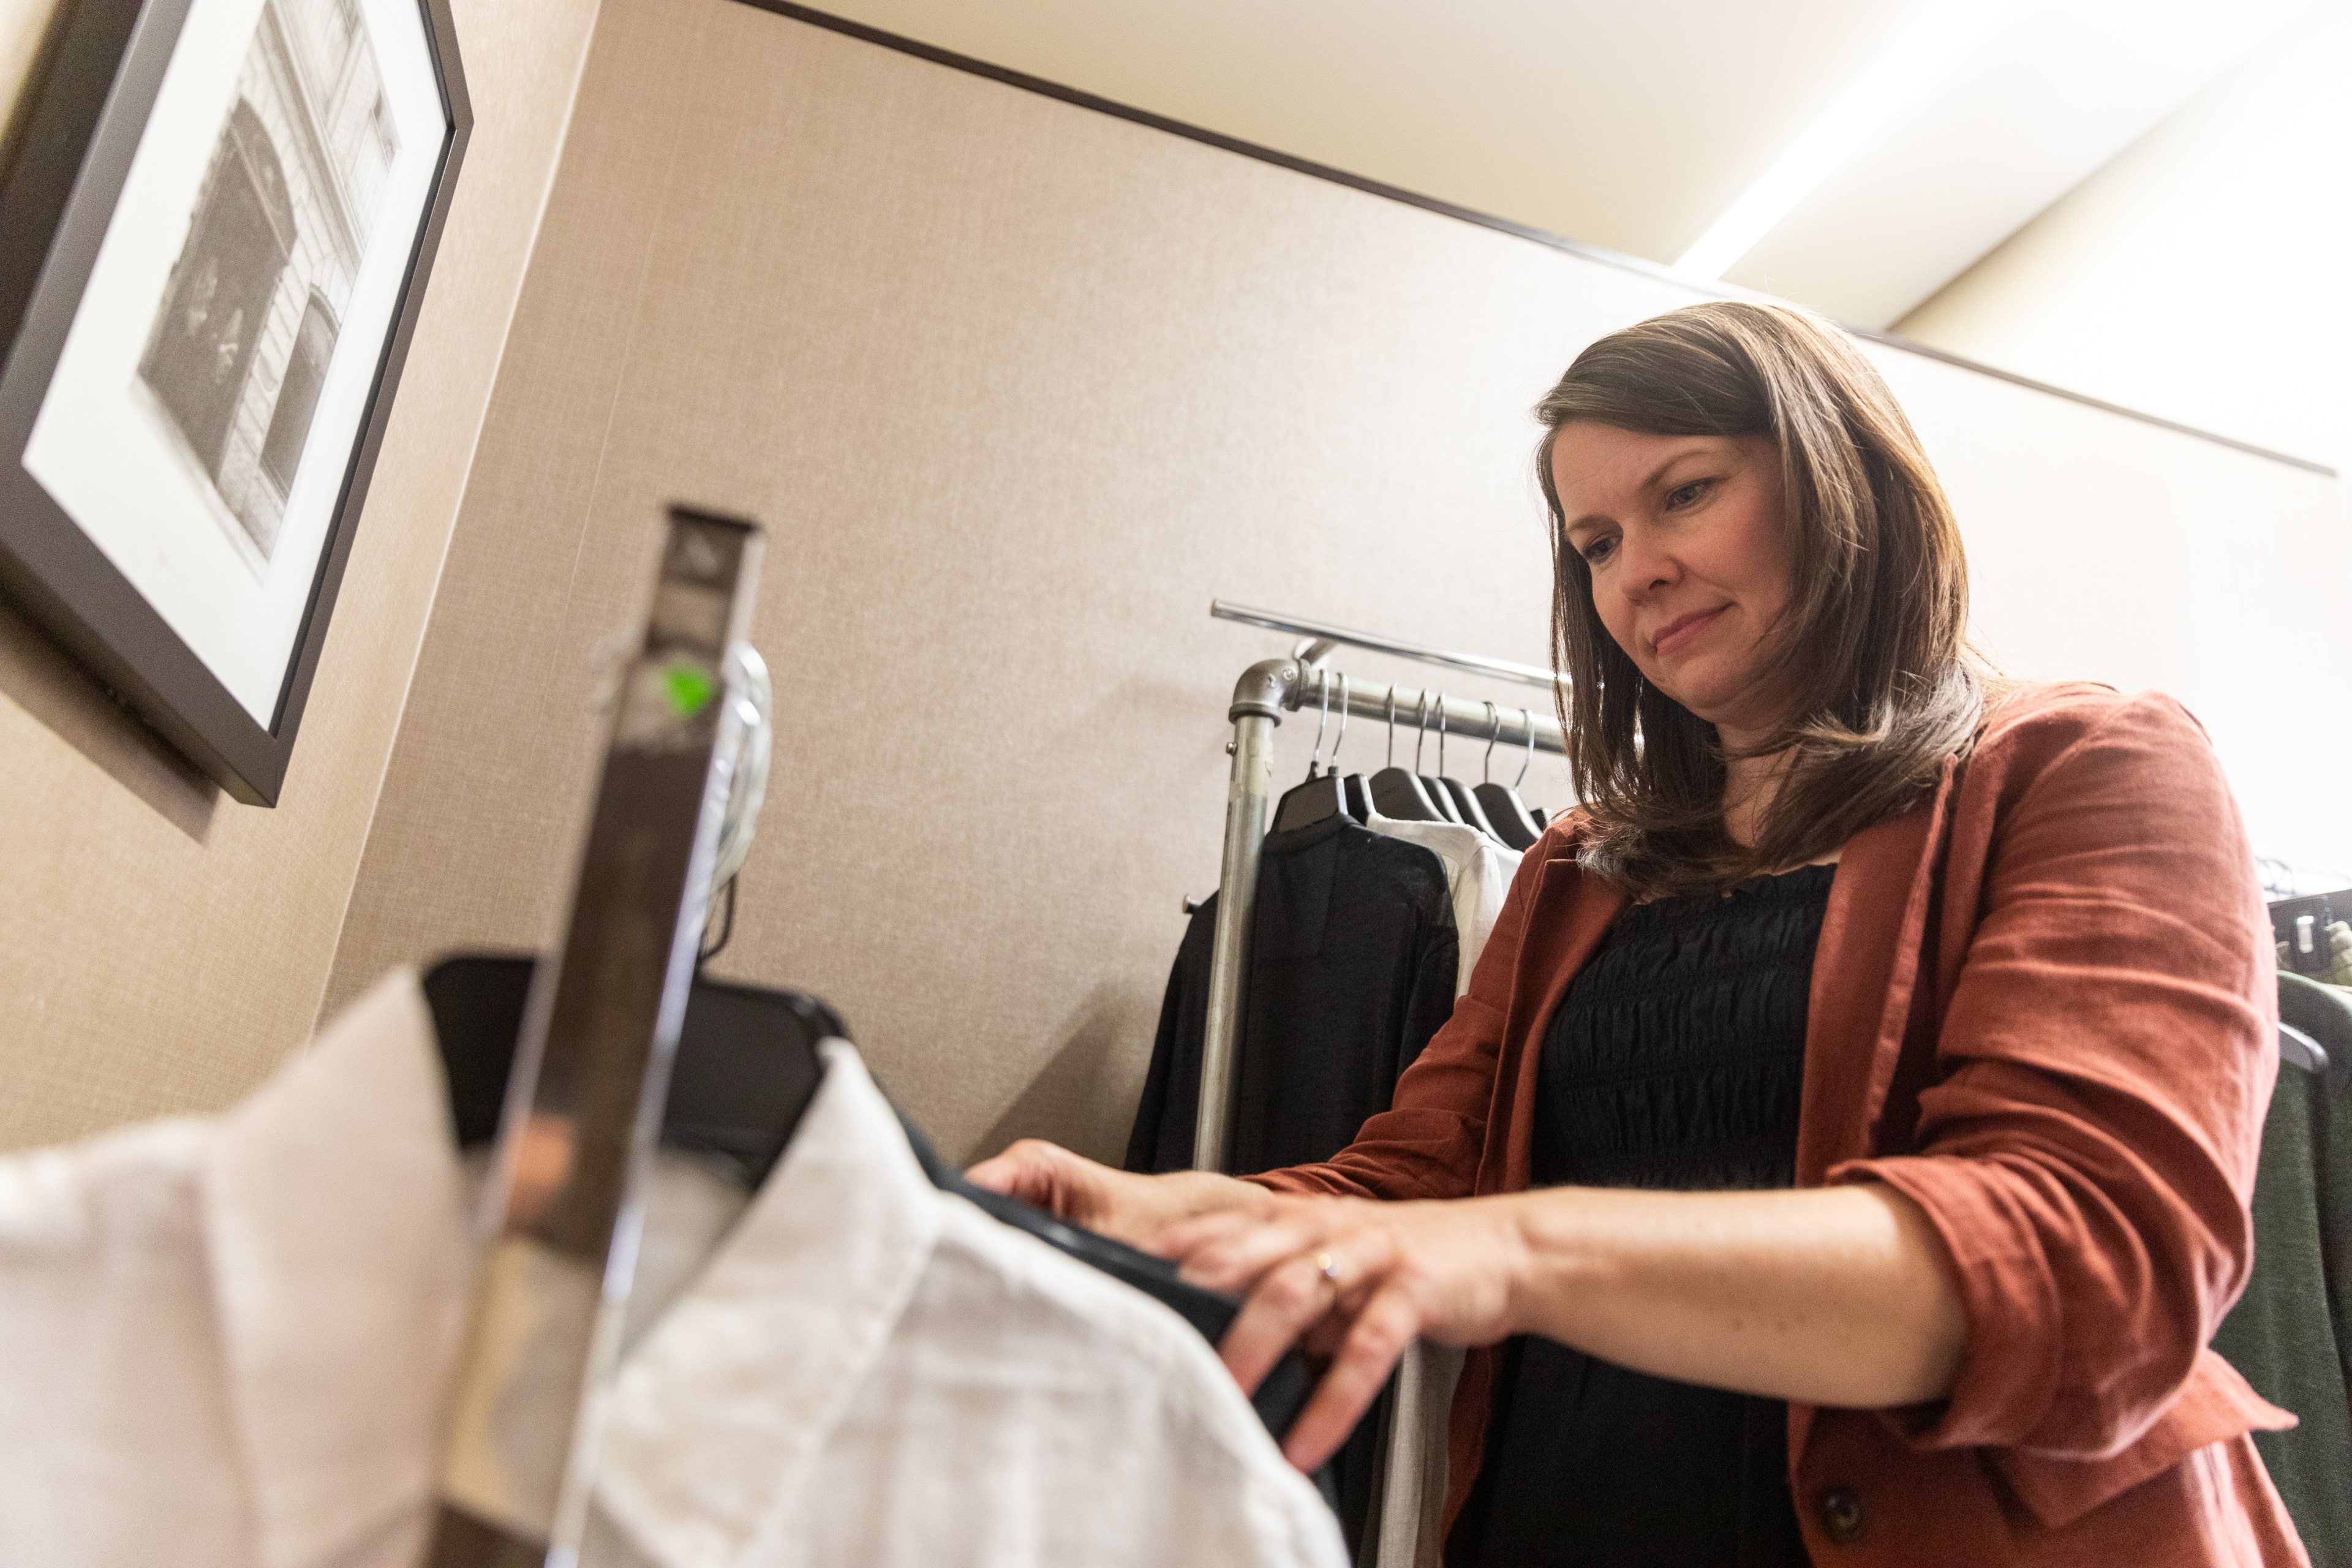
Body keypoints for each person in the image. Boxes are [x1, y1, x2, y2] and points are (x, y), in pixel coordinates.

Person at [971, 301, 2305, 1566]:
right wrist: (1150, 1215)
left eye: (1684, 492)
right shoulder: (1584, 865)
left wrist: (1518, 1251)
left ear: (1842, 479)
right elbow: (1408, 1190)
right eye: (1595, 542)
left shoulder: (2088, 766)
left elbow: (2088, 1261)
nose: (1638, 571)